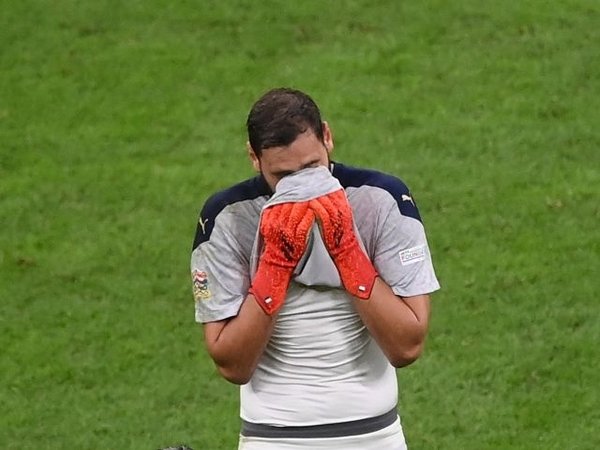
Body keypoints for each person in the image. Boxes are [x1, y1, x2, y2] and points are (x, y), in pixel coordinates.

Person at [190, 88, 440, 450]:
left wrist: (348, 251)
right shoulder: (228, 218)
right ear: (253, 158)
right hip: (272, 439)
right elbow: (233, 366)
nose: (302, 187)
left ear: (327, 136)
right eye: (283, 175)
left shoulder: (380, 199)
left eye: (311, 167)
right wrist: (274, 266)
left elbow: (407, 346)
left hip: (376, 438)